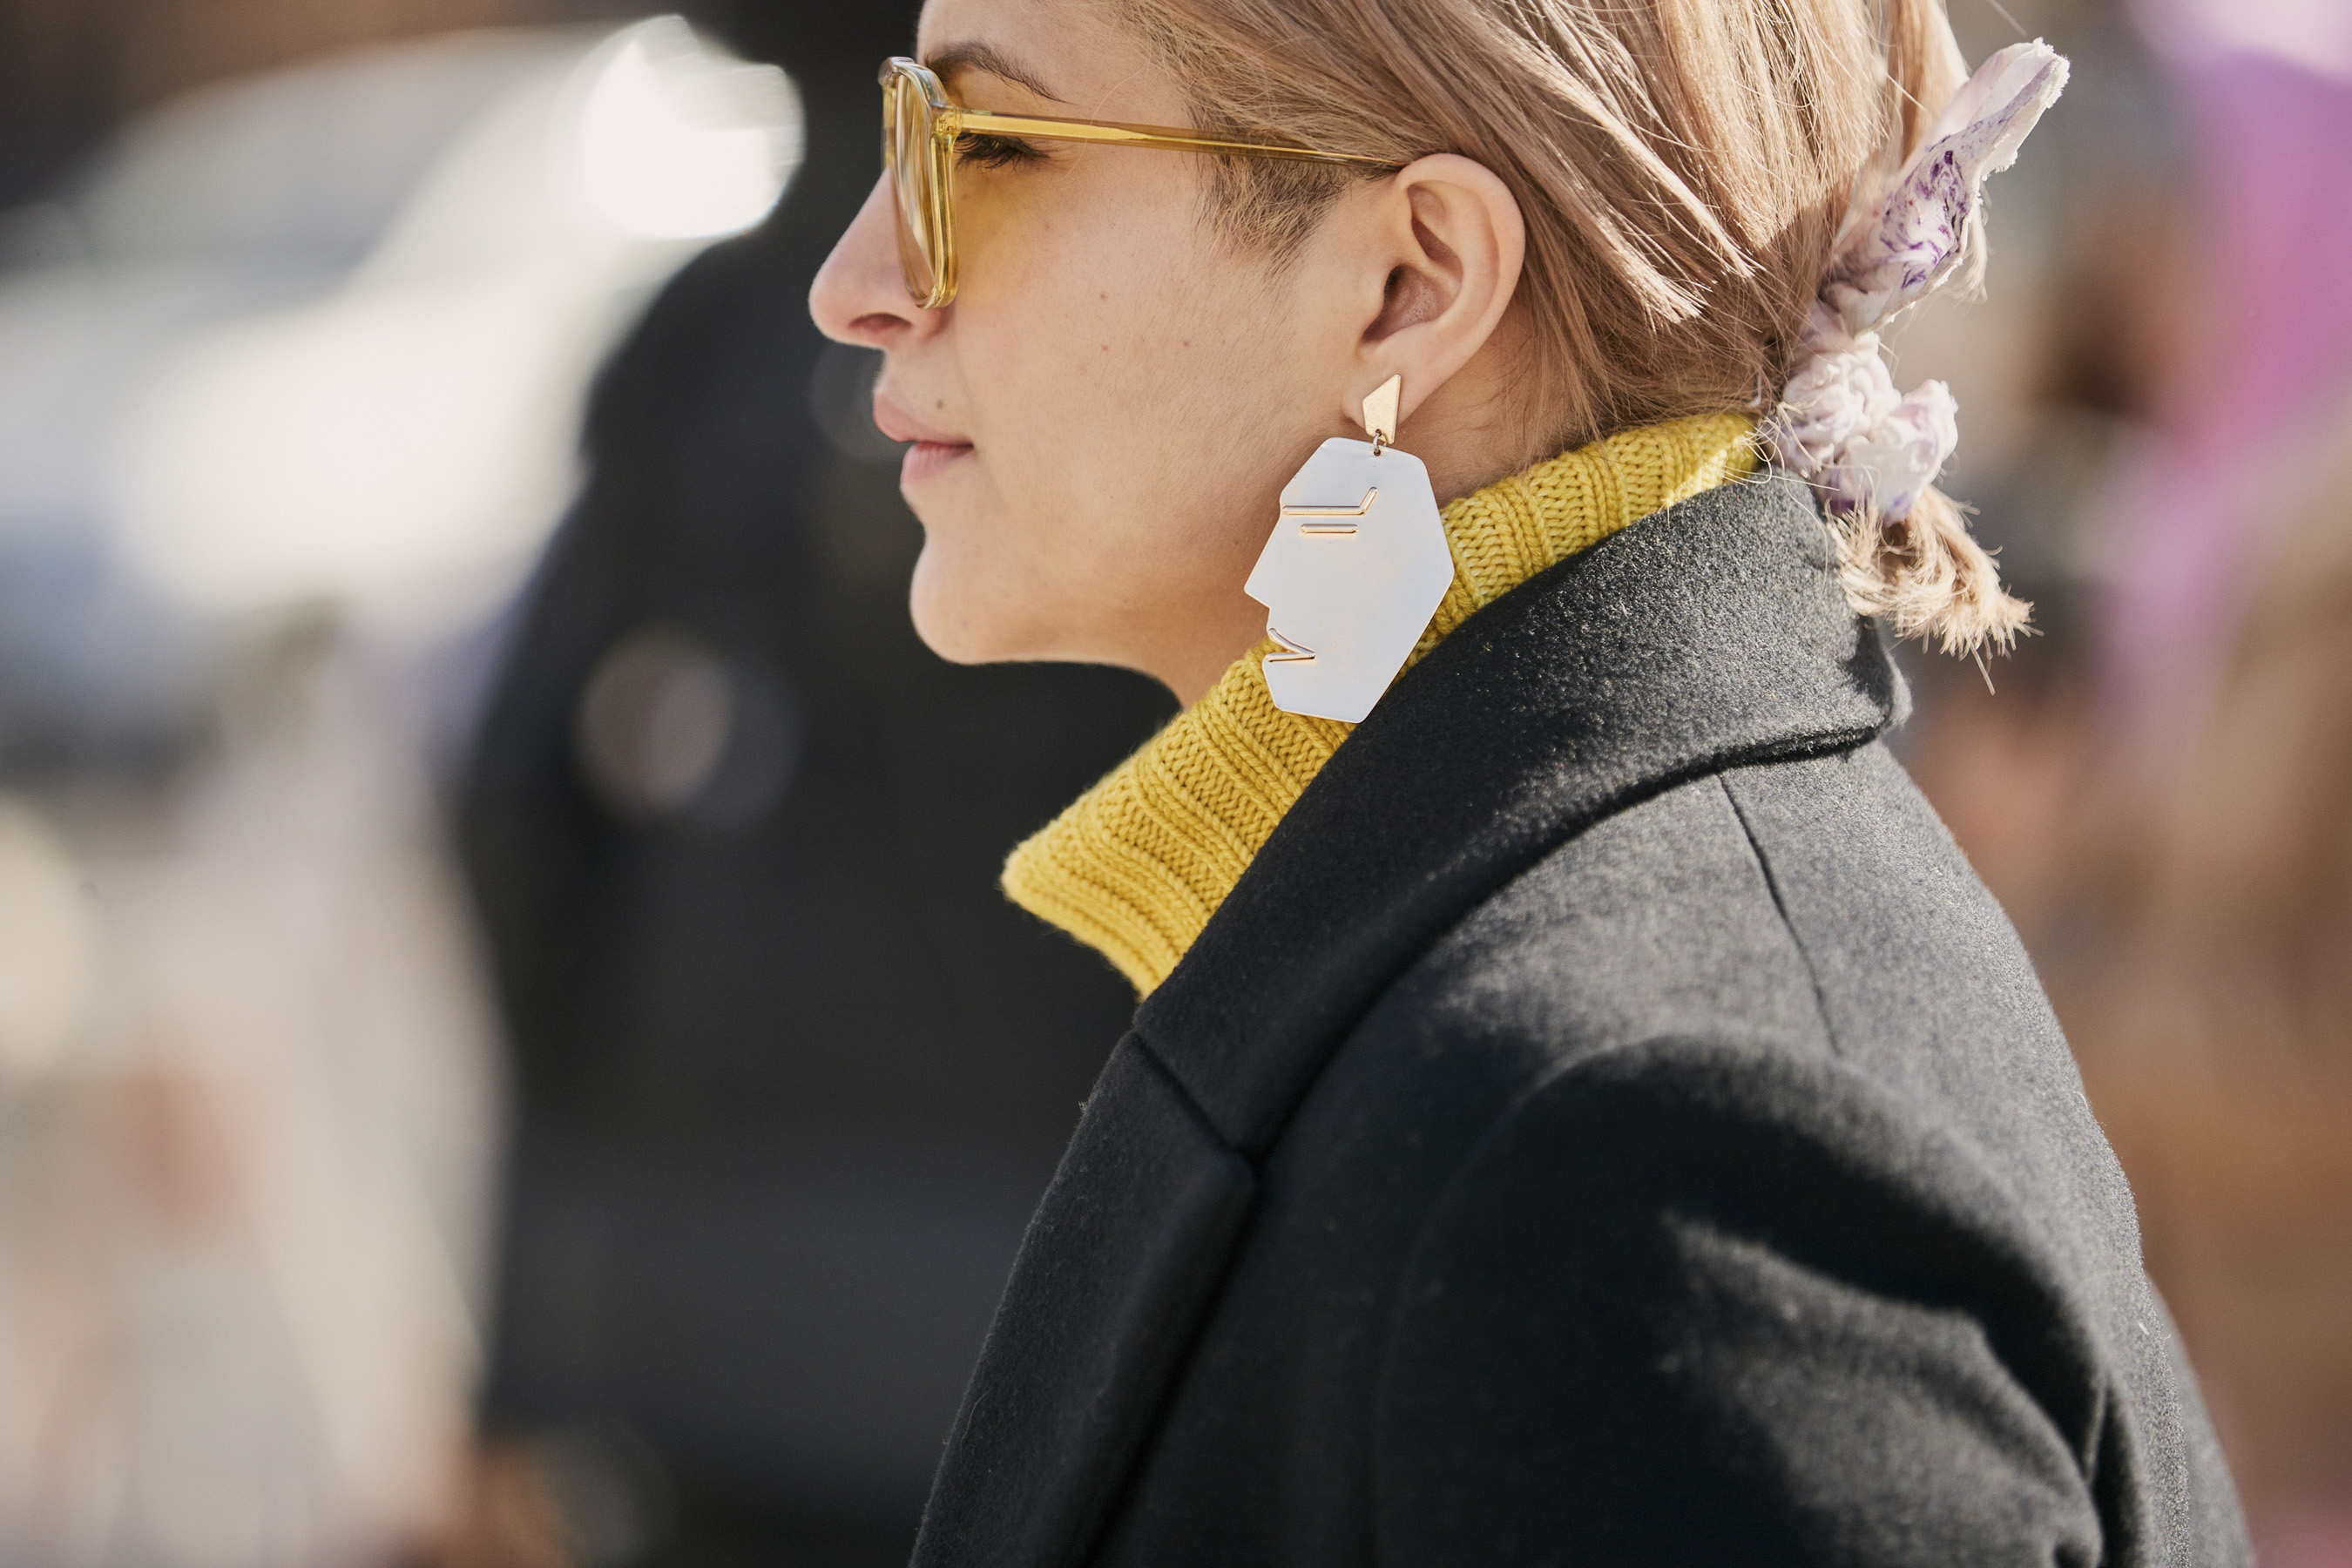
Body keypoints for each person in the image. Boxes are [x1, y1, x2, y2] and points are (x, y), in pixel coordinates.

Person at [808, 0, 2254, 1560]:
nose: (855, 282)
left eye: (983, 145)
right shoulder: (1548, 1000)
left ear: (1410, 284)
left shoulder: (1657, 1164)